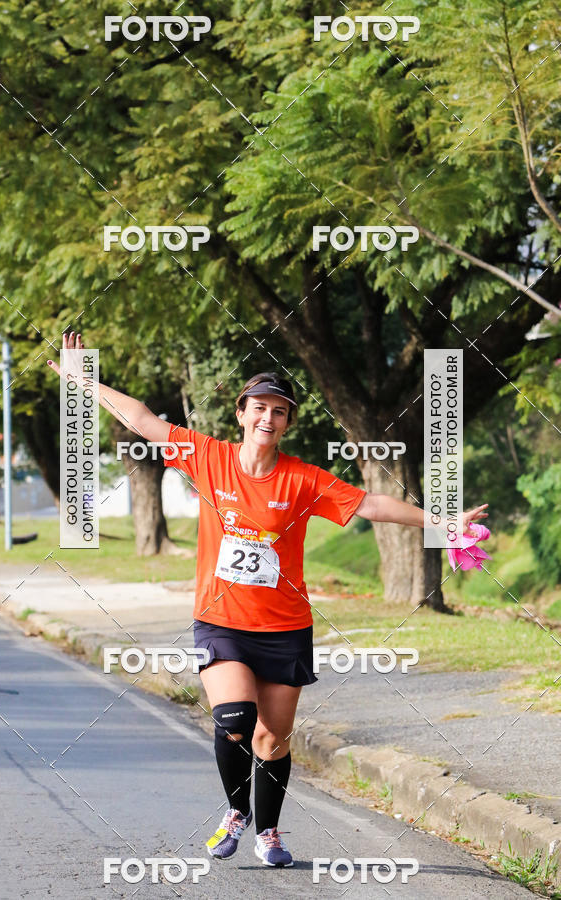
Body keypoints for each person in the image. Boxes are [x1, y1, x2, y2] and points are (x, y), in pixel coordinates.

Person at [48, 333, 488, 868]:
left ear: (287, 423)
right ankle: (237, 812)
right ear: (241, 414)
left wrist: (442, 522)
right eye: (259, 407)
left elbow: (370, 504)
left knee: (273, 738)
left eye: (279, 411)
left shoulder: (302, 480)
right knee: (235, 718)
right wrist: (83, 381)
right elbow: (142, 419)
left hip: (284, 627)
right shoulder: (208, 458)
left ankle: (269, 831)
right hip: (221, 620)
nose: (268, 418)